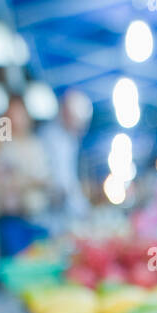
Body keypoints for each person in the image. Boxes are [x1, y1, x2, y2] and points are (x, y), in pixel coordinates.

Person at [0, 93, 52, 255]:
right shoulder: (2, 147)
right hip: (12, 222)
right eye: (11, 114)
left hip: (38, 217)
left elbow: (47, 179)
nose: (16, 118)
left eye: (19, 113)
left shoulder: (37, 145)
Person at [40, 89, 92, 228]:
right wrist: (81, 208)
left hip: (65, 210)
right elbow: (63, 180)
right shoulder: (51, 136)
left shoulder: (70, 140)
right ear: (65, 112)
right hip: (51, 212)